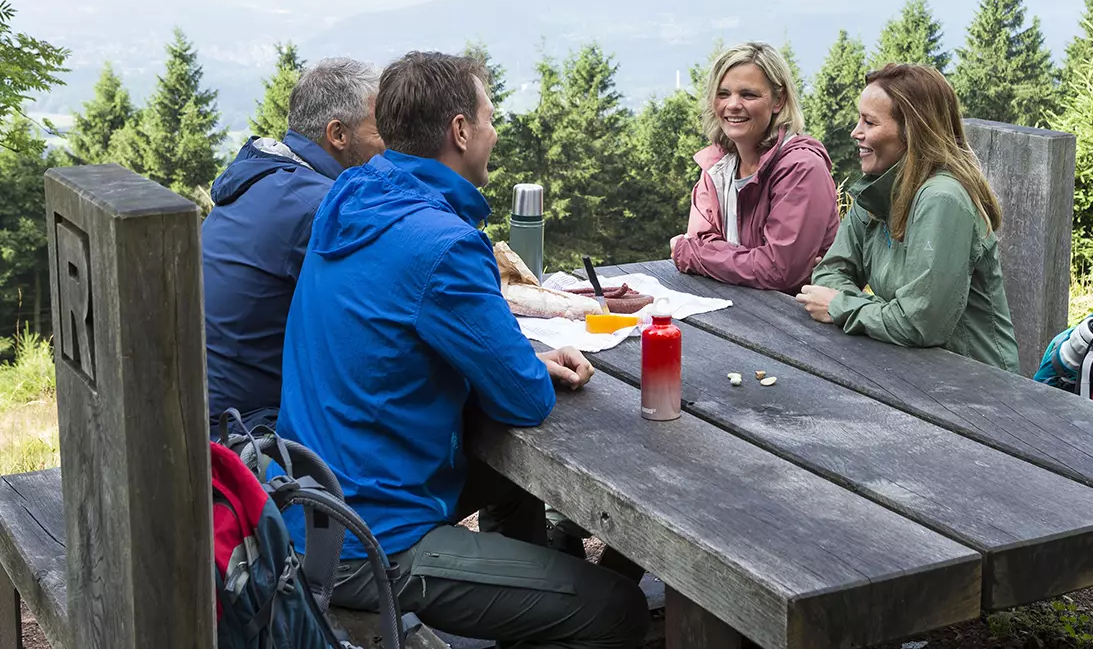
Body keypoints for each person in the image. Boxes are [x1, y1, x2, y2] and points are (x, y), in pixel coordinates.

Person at [277, 51, 649, 649]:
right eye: (489, 118)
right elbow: (525, 400)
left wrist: (512, 361)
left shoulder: (350, 197)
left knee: (513, 486)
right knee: (619, 608)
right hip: (368, 541)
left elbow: (401, 337)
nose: (494, 132)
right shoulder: (444, 244)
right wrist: (522, 367)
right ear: (460, 131)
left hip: (307, 500)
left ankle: (527, 608)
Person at [796, 63, 1019, 371]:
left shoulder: (942, 199)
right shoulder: (878, 190)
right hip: (913, 369)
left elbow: (920, 324)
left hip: (977, 381)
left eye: (869, 122)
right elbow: (830, 273)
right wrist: (882, 313)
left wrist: (841, 305)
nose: (855, 132)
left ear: (911, 131)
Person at [204, 57, 384, 427]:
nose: (392, 146)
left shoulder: (266, 178)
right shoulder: (320, 207)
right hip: (246, 431)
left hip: (204, 408)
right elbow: (379, 326)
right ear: (338, 135)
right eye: (382, 130)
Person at [670, 41, 840, 294]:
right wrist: (751, 261)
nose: (733, 104)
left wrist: (694, 255)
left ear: (778, 100)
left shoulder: (801, 169)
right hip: (738, 308)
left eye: (748, 94)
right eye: (723, 94)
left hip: (795, 315)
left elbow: (778, 271)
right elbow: (701, 241)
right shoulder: (716, 168)